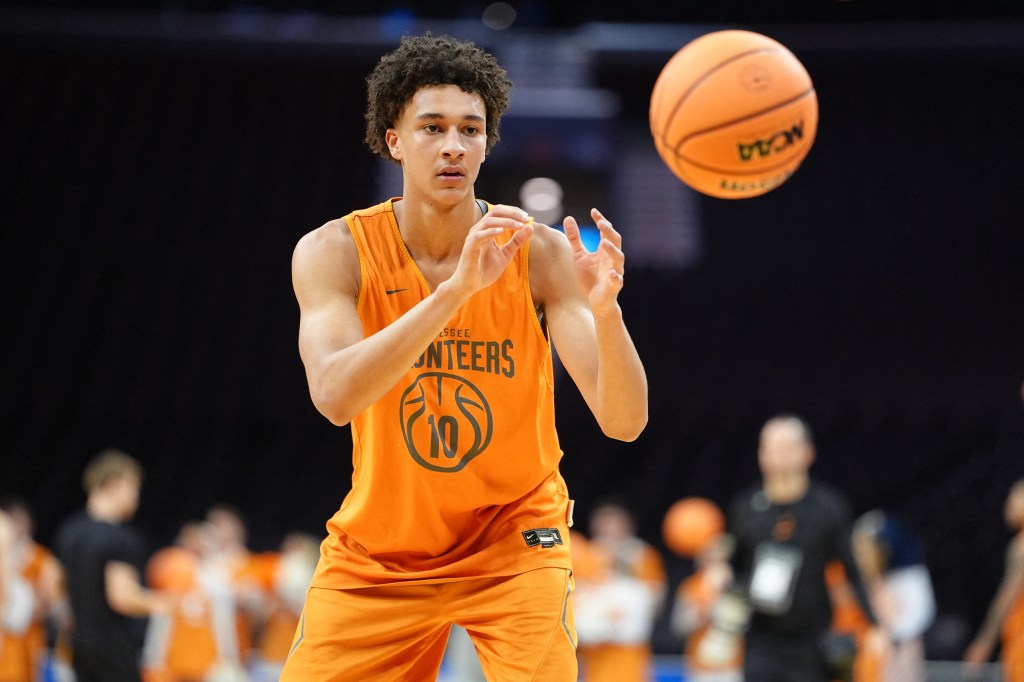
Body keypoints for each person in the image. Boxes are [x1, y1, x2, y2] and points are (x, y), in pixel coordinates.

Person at [281, 32, 648, 682]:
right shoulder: (334, 252)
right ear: (394, 139)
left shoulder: (539, 253)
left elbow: (624, 421)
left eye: (470, 130)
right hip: (383, 549)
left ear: (486, 143)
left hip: (514, 539)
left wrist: (607, 310)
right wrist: (455, 294)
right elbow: (334, 397)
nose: (453, 145)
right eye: (432, 128)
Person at [724, 415, 885, 682]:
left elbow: (852, 571)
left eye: (787, 447)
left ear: (807, 453)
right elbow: (734, 569)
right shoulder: (745, 508)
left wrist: (875, 626)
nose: (778, 456)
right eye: (770, 448)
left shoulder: (829, 508)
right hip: (760, 640)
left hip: (810, 643)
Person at [54, 449, 168, 682]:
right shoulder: (120, 538)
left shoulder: (69, 531)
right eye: (133, 487)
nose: (136, 496)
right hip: (114, 649)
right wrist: (166, 603)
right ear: (115, 484)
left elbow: (56, 586)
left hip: (78, 645)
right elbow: (122, 598)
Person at [573, 497, 666, 682]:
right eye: (604, 523)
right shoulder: (584, 555)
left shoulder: (643, 556)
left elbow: (655, 604)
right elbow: (573, 603)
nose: (609, 529)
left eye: (614, 523)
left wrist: (621, 611)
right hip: (591, 658)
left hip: (630, 655)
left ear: (628, 526)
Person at [850, 510, 935, 682]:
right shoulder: (864, 582)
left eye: (867, 548)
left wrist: (888, 633)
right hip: (869, 660)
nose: (862, 555)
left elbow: (919, 616)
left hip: (899, 656)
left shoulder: (908, 578)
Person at [0, 497, 68, 682]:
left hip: (29, 637)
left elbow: (54, 603)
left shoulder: (42, 559)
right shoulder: (5, 557)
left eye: (20, 522)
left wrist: (35, 604)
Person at [963, 479, 1024, 682]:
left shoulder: (1021, 547)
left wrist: (984, 642)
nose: (1007, 505)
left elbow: (1006, 598)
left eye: (1014, 498)